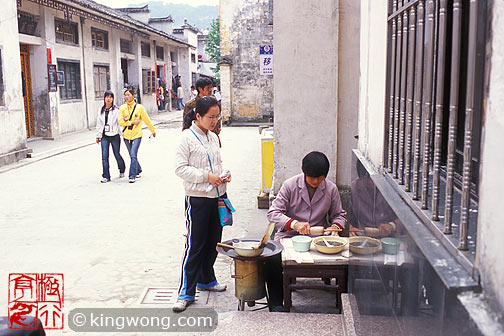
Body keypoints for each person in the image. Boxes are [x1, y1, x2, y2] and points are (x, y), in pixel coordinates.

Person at [265, 151, 347, 311]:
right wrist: (294, 224)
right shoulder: (290, 185)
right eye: (312, 177)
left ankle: (343, 302)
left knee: (346, 258)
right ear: (304, 173)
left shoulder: (331, 189)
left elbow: (339, 214)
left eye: (320, 178)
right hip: (289, 236)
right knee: (272, 258)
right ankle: (276, 304)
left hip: (318, 239)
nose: (316, 181)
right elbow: (273, 214)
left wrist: (336, 226)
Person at [173, 96, 231, 312]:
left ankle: (206, 278)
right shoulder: (186, 138)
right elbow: (180, 169)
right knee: (195, 245)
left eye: (217, 117)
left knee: (213, 241)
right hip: (197, 198)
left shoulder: (214, 138)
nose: (215, 121)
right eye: (211, 117)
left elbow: (217, 163)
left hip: (218, 197)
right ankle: (186, 291)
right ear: (198, 116)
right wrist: (206, 176)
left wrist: (223, 175)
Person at [118, 87, 156, 183]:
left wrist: (153, 130)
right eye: (125, 95)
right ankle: (138, 169)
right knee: (132, 155)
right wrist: (131, 122)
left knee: (133, 154)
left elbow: (146, 119)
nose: (127, 97)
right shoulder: (122, 108)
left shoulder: (139, 108)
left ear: (133, 95)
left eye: (128, 95)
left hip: (137, 135)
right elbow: (120, 122)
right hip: (126, 135)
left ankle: (132, 175)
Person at [95, 90, 126, 183]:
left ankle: (122, 169)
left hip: (114, 135)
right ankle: (106, 176)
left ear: (113, 99)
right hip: (105, 136)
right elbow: (99, 124)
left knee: (116, 154)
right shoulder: (101, 110)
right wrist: (98, 136)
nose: (108, 99)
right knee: (104, 156)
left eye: (110, 97)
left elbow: (120, 122)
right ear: (104, 98)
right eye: (106, 97)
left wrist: (122, 133)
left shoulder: (116, 110)